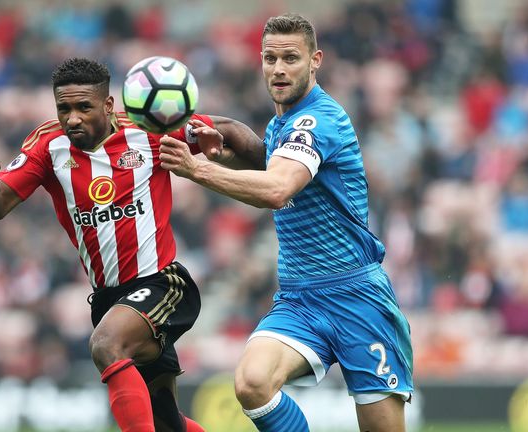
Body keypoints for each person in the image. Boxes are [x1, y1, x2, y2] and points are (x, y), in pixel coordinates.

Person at [0, 57, 261, 432]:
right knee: (167, 423)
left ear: (108, 105)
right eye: (64, 108)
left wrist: (279, 170)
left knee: (106, 344)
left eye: (83, 107)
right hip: (110, 299)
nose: (72, 118)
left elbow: (230, 129)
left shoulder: (148, 129)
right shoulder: (47, 146)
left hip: (163, 284)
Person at [158, 13, 414, 432]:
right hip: (299, 298)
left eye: (290, 58)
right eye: (270, 58)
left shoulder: (318, 120)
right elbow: (272, 166)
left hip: (357, 299)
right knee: (252, 382)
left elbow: (278, 188)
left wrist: (196, 170)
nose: (278, 69)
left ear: (315, 60)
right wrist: (225, 152)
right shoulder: (282, 124)